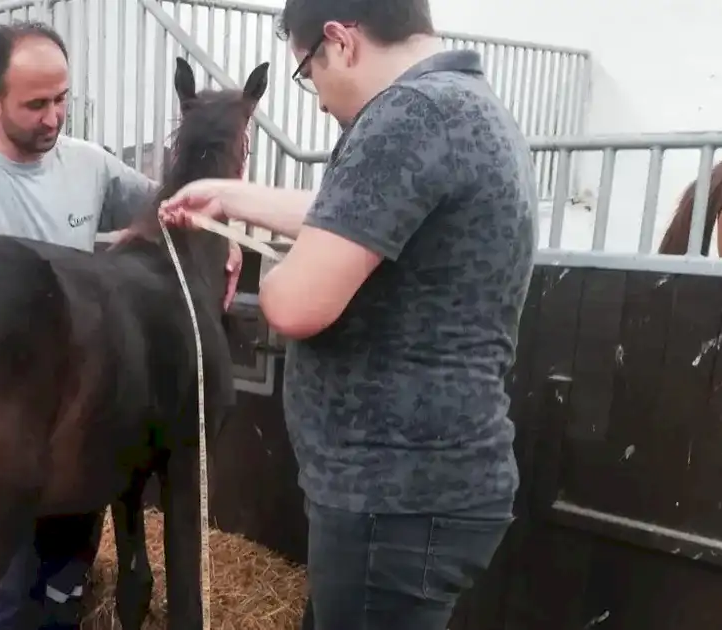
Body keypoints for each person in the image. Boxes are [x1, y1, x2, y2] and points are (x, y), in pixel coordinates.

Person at [158, 0, 537, 628]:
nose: (317, 98)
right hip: (419, 492)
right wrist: (230, 195)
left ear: (340, 41)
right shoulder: (464, 104)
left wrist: (276, 264)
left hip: (390, 500)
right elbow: (361, 209)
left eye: (308, 72)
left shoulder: (408, 116)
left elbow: (294, 305)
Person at [0, 20, 241, 630]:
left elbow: (173, 206)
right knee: (4, 591)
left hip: (87, 406)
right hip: (8, 415)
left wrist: (223, 229)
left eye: (62, 99)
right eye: (36, 104)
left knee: (62, 588)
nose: (54, 118)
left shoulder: (89, 165)